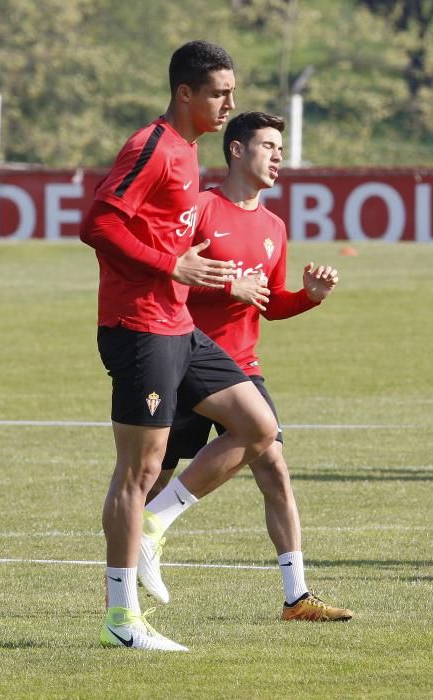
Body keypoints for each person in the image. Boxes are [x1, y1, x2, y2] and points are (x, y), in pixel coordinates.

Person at [80, 45, 279, 652]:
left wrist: (197, 273)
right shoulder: (154, 144)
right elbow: (98, 223)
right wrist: (173, 265)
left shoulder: (188, 153)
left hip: (177, 324)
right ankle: (122, 617)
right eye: (220, 92)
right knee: (139, 468)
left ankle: (156, 526)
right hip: (138, 326)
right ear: (185, 93)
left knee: (257, 426)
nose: (231, 104)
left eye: (233, 91)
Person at [139, 111, 353, 622]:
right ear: (236, 150)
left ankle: (296, 597)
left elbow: (270, 302)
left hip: (242, 367)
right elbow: (167, 278)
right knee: (153, 473)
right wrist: (223, 284)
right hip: (185, 358)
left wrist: (309, 297)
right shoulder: (200, 209)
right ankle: (128, 575)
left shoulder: (274, 226)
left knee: (274, 466)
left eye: (282, 148)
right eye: (269, 145)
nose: (279, 156)